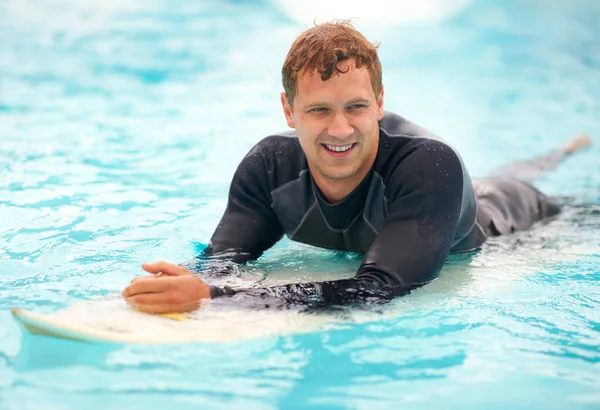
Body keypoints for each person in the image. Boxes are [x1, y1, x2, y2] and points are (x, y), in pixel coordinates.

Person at [121, 20, 591, 314]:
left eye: (357, 107)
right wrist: (183, 285)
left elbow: (379, 289)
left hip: (515, 220)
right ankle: (560, 151)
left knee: (530, 183)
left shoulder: (429, 166)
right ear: (289, 111)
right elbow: (224, 261)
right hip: (453, 201)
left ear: (380, 103)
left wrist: (217, 302)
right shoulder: (268, 167)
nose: (341, 129)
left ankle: (564, 151)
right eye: (320, 110)